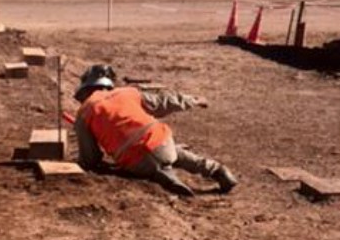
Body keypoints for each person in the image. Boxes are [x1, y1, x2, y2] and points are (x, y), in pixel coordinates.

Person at [73, 64, 238, 198]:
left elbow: (90, 158)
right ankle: (217, 170)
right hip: (162, 141)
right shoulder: (128, 92)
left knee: (144, 161)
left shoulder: (84, 113)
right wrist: (193, 100)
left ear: (86, 89)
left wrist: (91, 163)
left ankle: (163, 174)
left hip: (136, 160)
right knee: (173, 152)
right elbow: (163, 102)